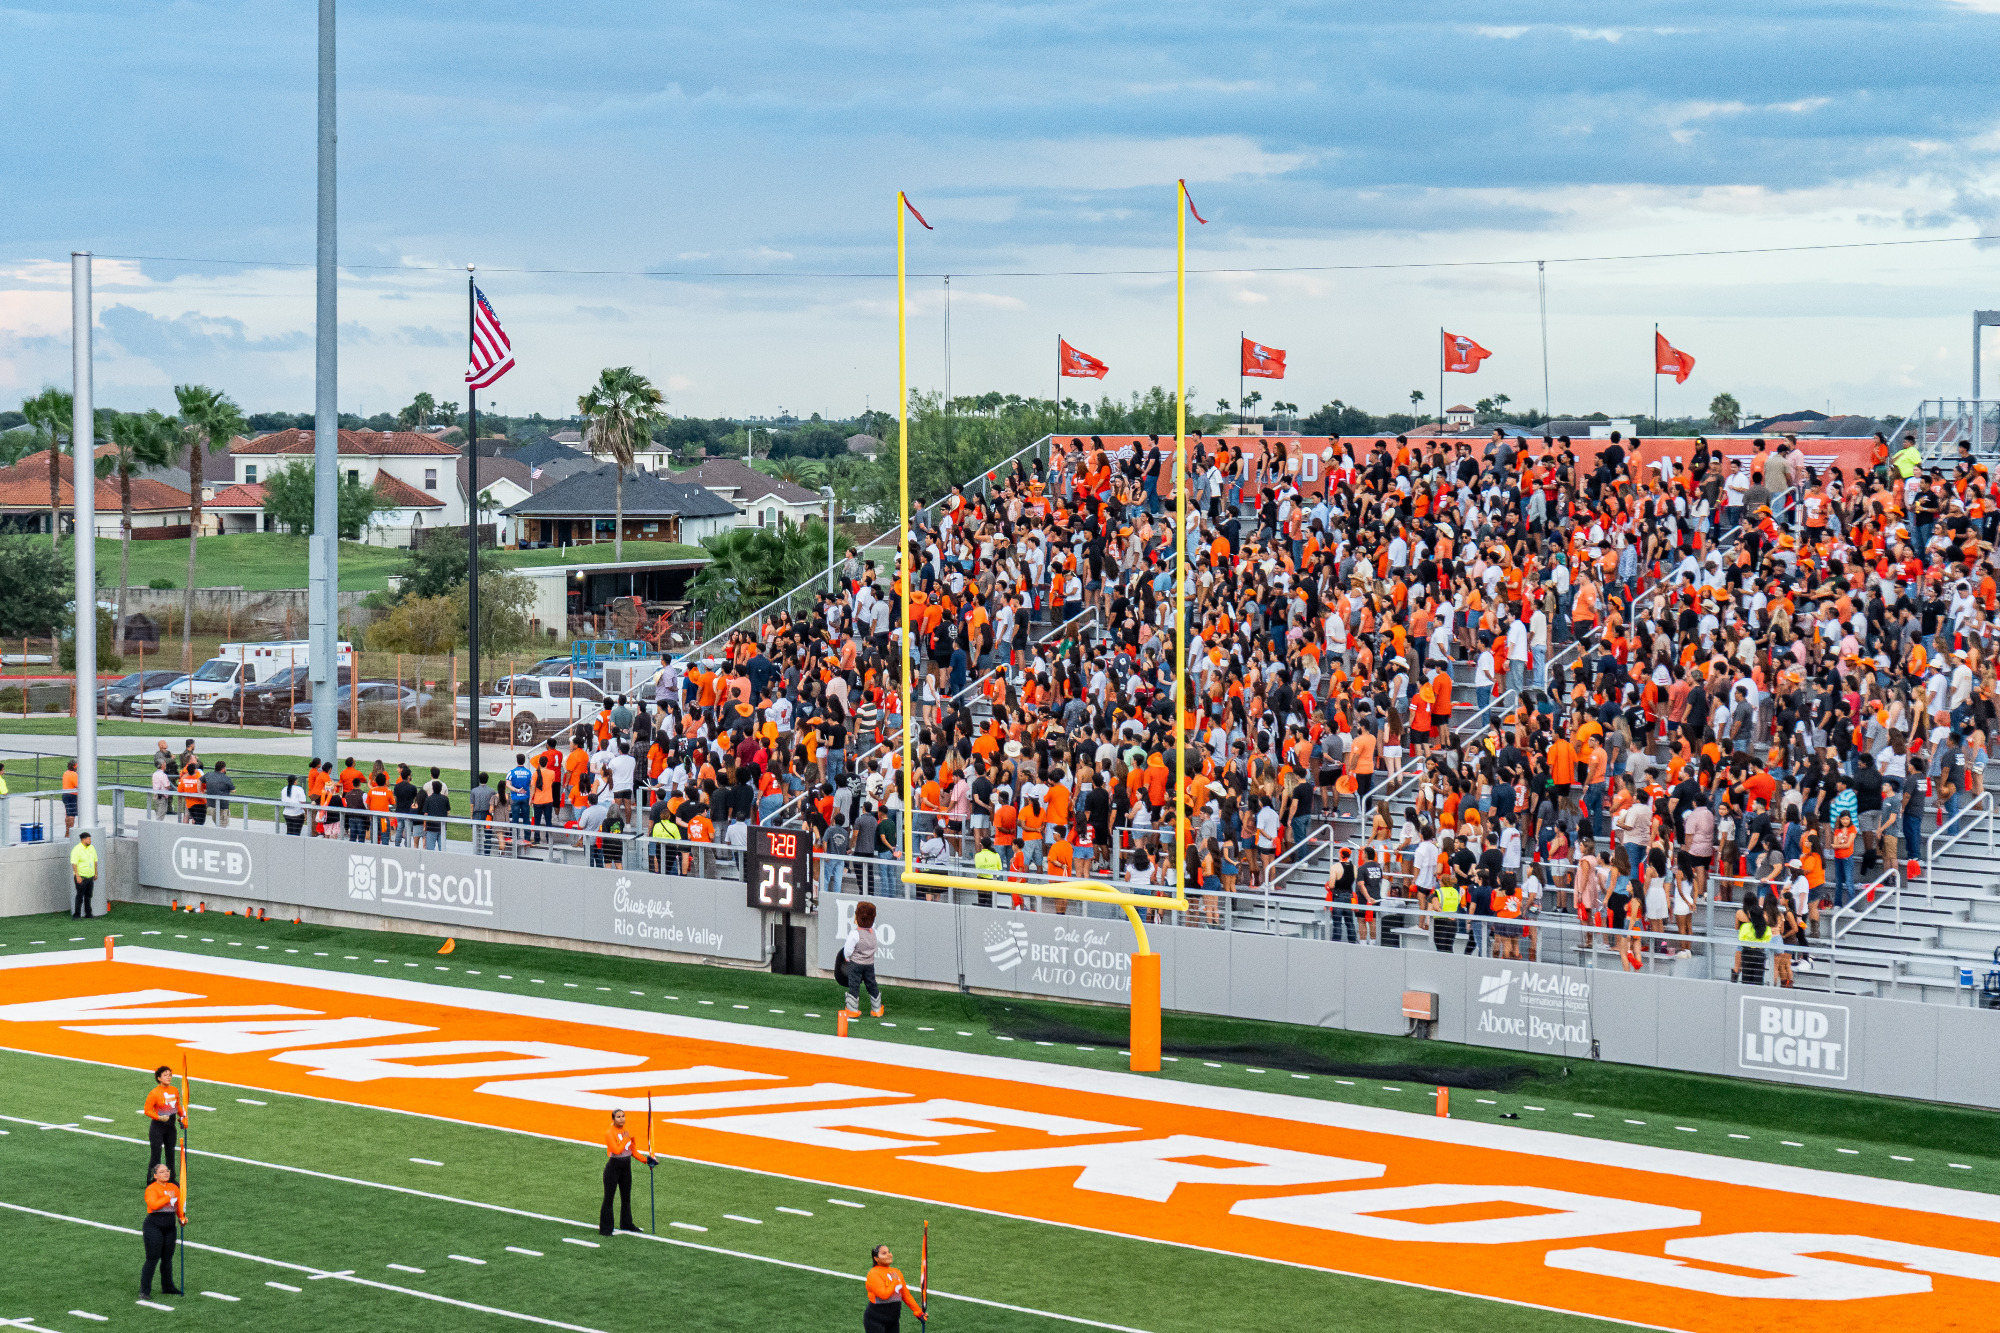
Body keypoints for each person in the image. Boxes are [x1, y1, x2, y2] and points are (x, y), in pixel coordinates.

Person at [599, 1108, 657, 1236]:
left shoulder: (628, 1133)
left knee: (626, 1198)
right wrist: (626, 1138)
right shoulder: (609, 1133)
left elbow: (633, 1151)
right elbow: (616, 1150)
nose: (621, 1119)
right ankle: (605, 1229)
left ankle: (626, 1224)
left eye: (623, 1116)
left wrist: (647, 1161)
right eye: (618, 1117)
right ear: (613, 1119)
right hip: (613, 1169)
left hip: (626, 1169)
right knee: (609, 1199)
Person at [140, 1163, 185, 1299]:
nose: (166, 1173)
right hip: (154, 1225)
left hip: (170, 1226)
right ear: (155, 1176)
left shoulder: (173, 1187)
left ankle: (168, 1286)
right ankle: (144, 1290)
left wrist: (182, 1217)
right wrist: (167, 1197)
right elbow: (153, 1205)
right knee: (152, 1258)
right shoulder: (151, 1189)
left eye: (167, 1171)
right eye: (162, 1172)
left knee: (167, 1258)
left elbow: (178, 1205)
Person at [864, 1243, 926, 1333]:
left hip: (893, 1321)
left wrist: (919, 1312)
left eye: (889, 1252)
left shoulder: (896, 1272)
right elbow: (884, 1295)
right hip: (875, 1321)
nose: (889, 1255)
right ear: (876, 1258)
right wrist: (894, 1282)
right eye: (884, 1253)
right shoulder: (873, 1274)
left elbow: (905, 1295)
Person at [840, 898, 885, 1019]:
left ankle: (852, 1008)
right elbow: (875, 946)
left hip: (856, 964)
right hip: (869, 964)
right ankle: (877, 1008)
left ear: (857, 917)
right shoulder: (873, 932)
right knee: (871, 984)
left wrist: (847, 957)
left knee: (854, 984)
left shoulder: (855, 934)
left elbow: (848, 949)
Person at [144, 1065, 183, 1183]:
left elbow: (177, 1106)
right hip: (157, 1128)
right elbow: (147, 1110)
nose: (169, 1077)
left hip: (171, 1128)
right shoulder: (154, 1093)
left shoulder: (174, 1090)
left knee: (170, 1154)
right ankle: (151, 1181)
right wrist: (159, 1118)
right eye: (165, 1075)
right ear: (159, 1078)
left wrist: (182, 1117)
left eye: (170, 1075)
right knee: (156, 1155)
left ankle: (171, 1179)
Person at [70, 830, 99, 919]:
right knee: (80, 896)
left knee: (88, 896)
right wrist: (77, 876)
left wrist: (96, 872)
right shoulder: (77, 849)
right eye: (88, 839)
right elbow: (74, 863)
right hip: (81, 877)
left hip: (90, 877)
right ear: (83, 840)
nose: (90, 841)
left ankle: (88, 913)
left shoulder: (92, 848)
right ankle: (77, 915)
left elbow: (95, 861)